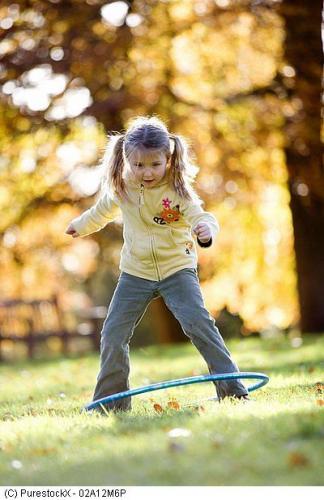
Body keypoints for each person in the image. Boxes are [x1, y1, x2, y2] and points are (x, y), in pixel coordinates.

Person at [65, 115, 249, 412]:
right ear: (126, 161)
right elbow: (100, 212)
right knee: (113, 334)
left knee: (199, 324)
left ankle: (233, 390)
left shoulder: (177, 190)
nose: (147, 172)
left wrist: (206, 232)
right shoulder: (122, 187)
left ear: (168, 158)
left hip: (177, 268)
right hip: (135, 273)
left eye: (154, 164)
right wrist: (79, 225)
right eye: (138, 165)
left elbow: (201, 216)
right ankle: (111, 404)